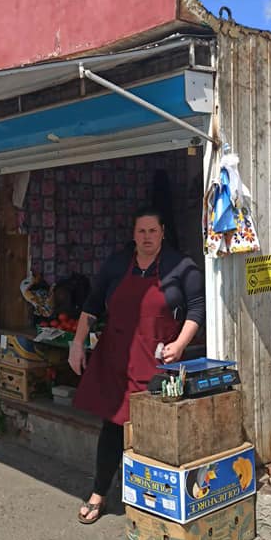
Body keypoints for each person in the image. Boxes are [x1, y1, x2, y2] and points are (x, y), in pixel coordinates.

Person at [68, 208, 205, 524]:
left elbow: (196, 309)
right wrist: (77, 343)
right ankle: (99, 493)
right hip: (117, 358)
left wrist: (180, 344)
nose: (147, 237)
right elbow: (91, 306)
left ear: (163, 232)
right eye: (141, 231)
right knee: (112, 428)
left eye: (152, 231)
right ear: (133, 234)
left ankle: (154, 502)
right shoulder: (117, 264)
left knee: (155, 432)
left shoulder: (181, 267)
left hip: (158, 362)